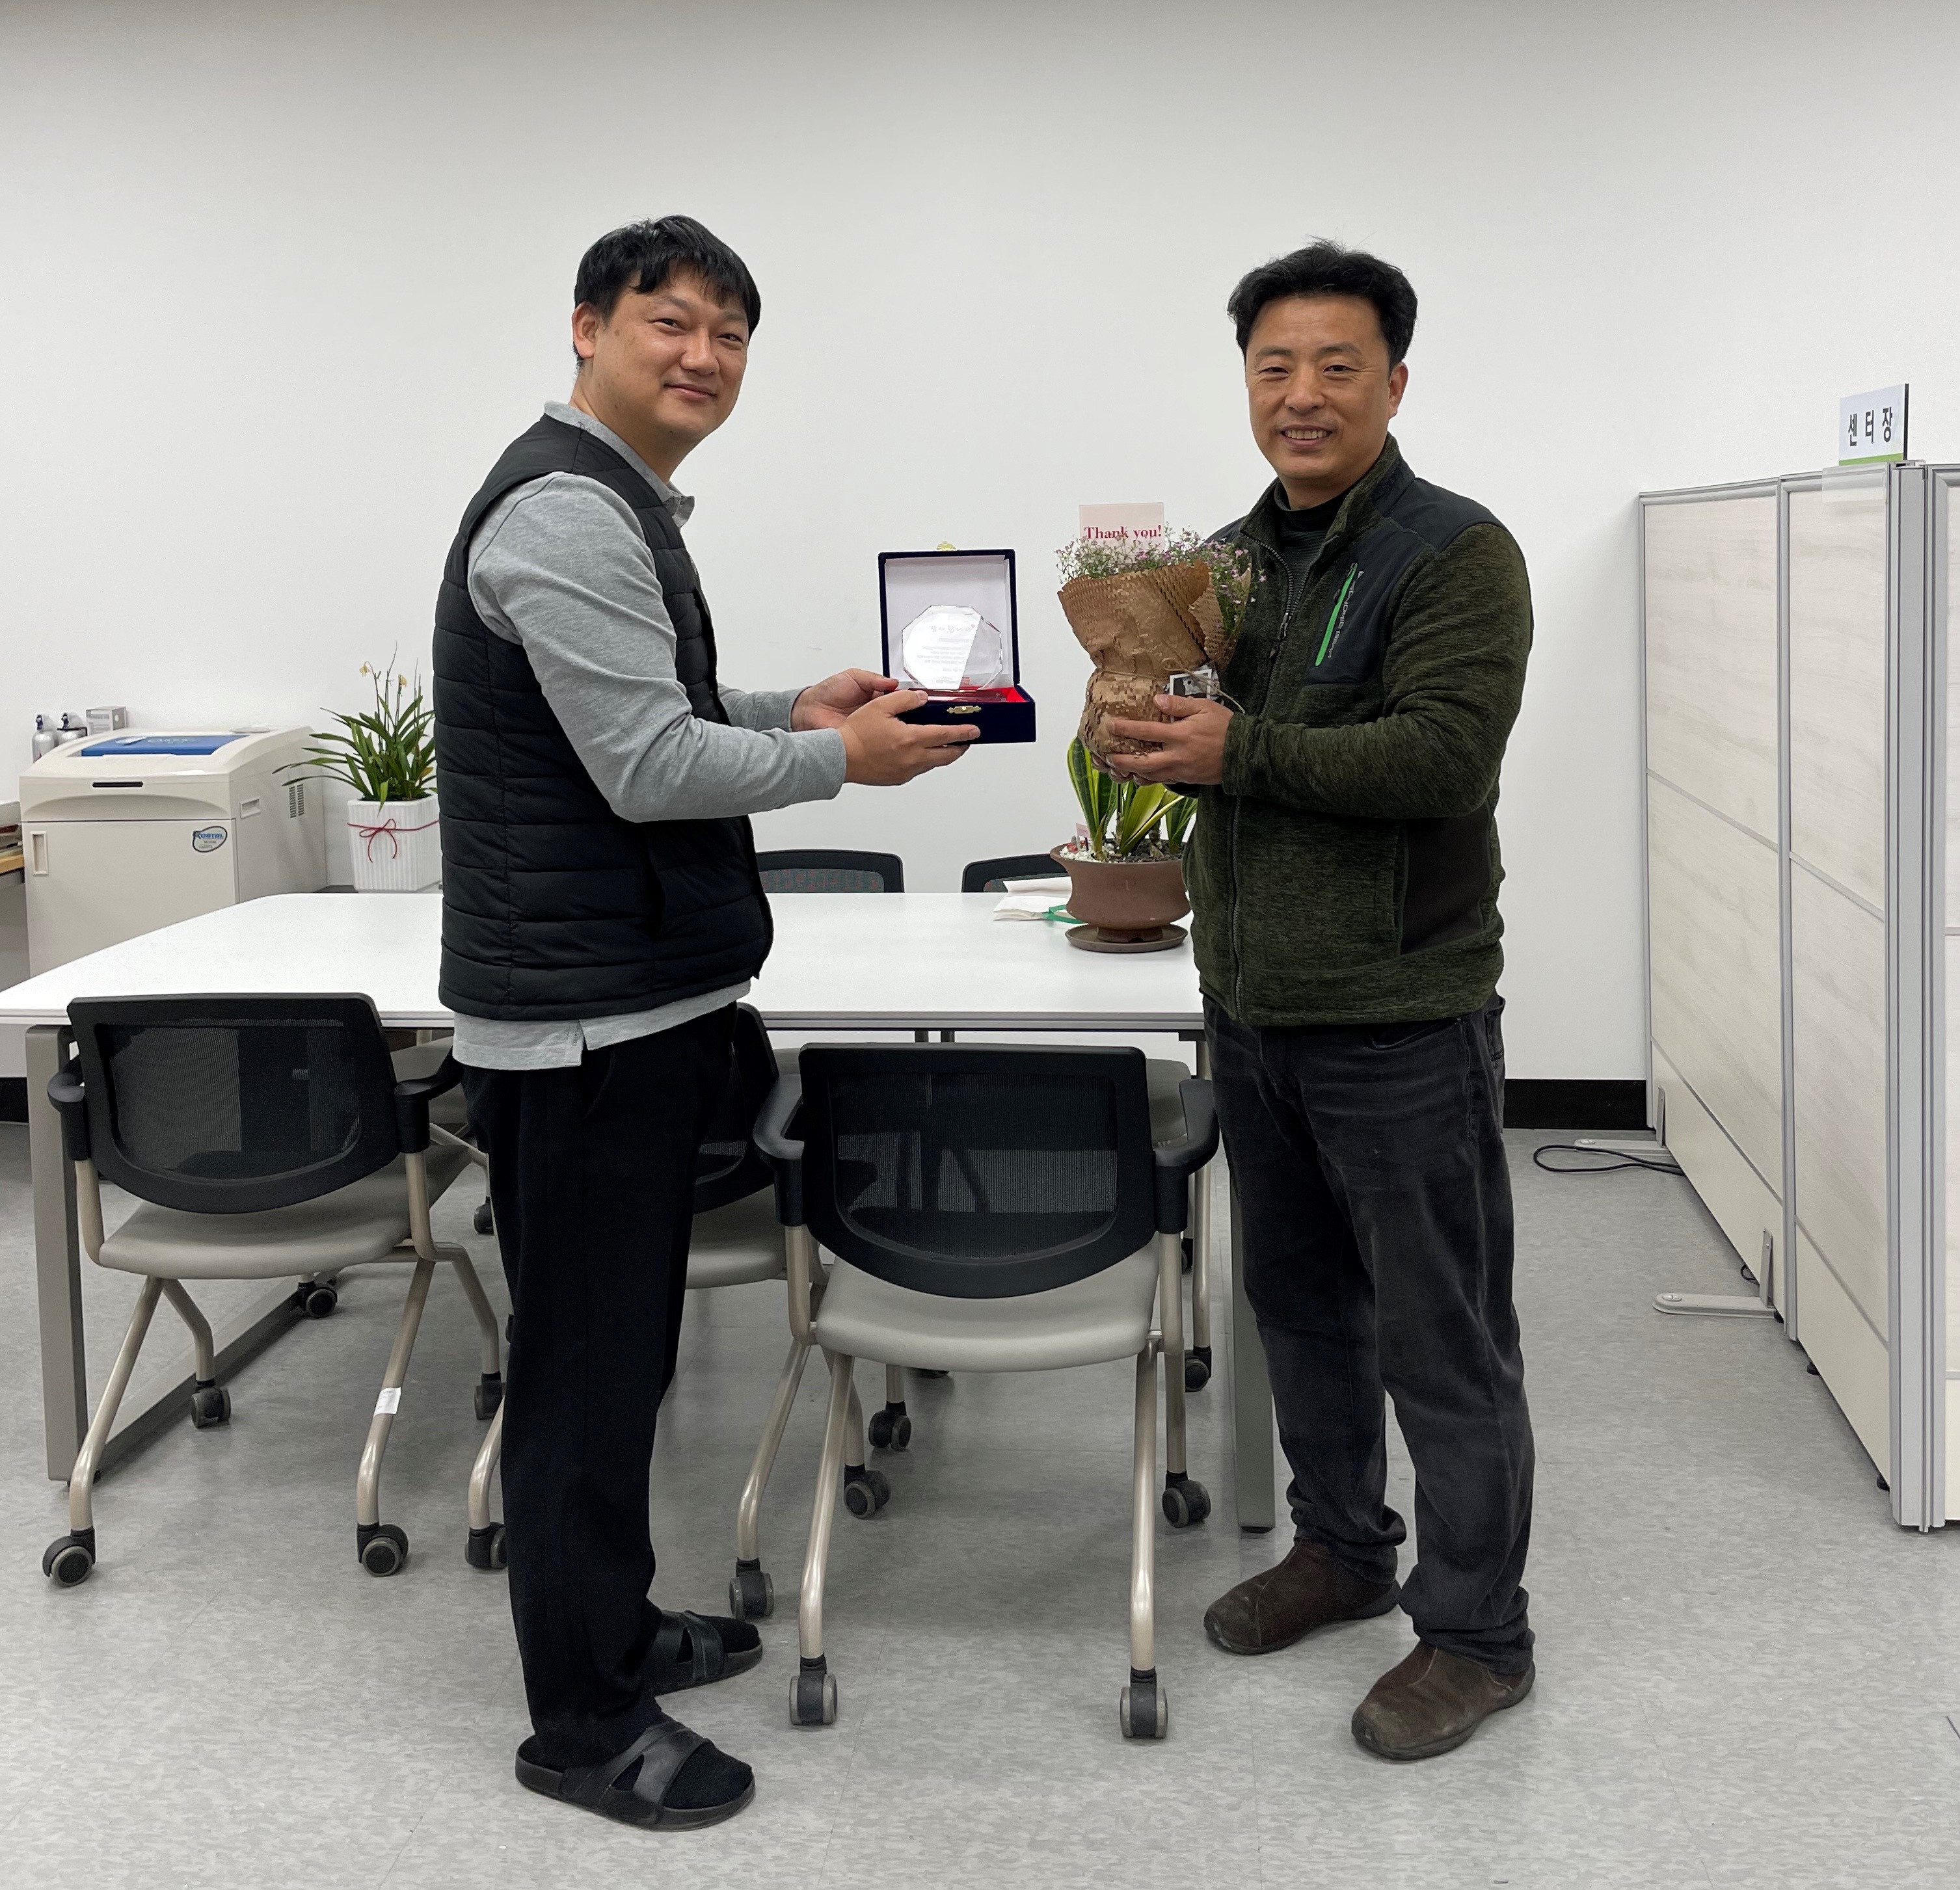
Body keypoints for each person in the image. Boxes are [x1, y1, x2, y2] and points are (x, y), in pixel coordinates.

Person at [431, 215, 975, 1831]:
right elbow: (646, 768)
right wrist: (838, 762)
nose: (703, 356)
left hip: (631, 1004)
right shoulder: (564, 511)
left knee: (621, 1361)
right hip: (585, 1029)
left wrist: (789, 712)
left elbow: (649, 711)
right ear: (586, 327)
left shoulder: (612, 504)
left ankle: (617, 1627)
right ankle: (584, 1722)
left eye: (730, 335)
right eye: (668, 321)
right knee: (584, 1380)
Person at [1106, 240, 1536, 1761]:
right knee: (1296, 1308)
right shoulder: (1226, 562)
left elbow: (1442, 757)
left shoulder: (1453, 552)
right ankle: (1343, 1547)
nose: (1301, 393)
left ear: (1393, 383)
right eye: (1273, 366)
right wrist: (1146, 725)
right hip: (1252, 1007)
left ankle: (1476, 1632)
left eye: (1335, 365)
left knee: (1441, 1334)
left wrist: (1239, 754)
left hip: (1401, 1012)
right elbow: (1211, 735)